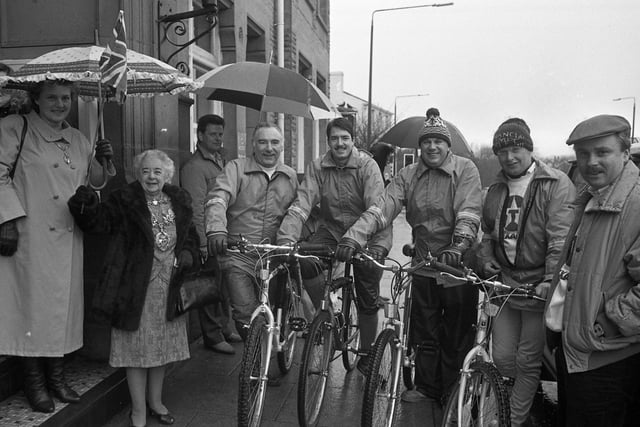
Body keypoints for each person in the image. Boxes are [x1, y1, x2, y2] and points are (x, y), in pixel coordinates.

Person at [340, 108, 482, 403]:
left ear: (448, 146)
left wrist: (459, 245)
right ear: (420, 147)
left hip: (456, 265)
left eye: (438, 142)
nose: (432, 147)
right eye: (426, 142)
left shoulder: (465, 169)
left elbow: (469, 211)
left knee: (456, 333)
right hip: (424, 262)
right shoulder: (407, 174)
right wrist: (354, 237)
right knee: (424, 330)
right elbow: (383, 208)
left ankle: (454, 391)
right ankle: (427, 388)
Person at [0, 79, 113, 413]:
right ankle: (35, 384)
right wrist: (6, 220)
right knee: (33, 310)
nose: (60, 103)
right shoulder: (14, 128)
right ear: (36, 99)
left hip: (67, 236)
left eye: (66, 98)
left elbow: (92, 183)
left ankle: (58, 377)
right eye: (52, 97)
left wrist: (103, 161)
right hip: (28, 234)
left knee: (61, 311)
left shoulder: (78, 138)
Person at [68, 149, 198, 427]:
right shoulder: (124, 200)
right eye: (145, 171)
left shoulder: (179, 201)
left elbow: (190, 237)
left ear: (167, 175)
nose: (151, 177)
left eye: (157, 172)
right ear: (137, 174)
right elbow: (98, 222)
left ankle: (156, 401)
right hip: (133, 289)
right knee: (136, 352)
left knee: (160, 350)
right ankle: (138, 410)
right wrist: (86, 203)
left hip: (168, 288)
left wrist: (187, 253)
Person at [477, 118, 575, 426]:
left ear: (529, 149)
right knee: (504, 358)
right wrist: (486, 256)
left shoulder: (555, 184)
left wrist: (549, 280)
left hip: (537, 287)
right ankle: (519, 401)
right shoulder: (494, 189)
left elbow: (560, 238)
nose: (509, 157)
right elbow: (489, 235)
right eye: (502, 151)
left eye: (516, 149)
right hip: (505, 285)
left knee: (528, 360)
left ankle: (513, 419)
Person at [544, 115, 640, 427]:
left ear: (625, 153)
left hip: (606, 358)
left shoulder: (634, 204)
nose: (591, 162)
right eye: (583, 154)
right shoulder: (592, 196)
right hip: (576, 350)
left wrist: (609, 322)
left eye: (602, 152)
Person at [277, 117, 392, 374]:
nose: (339, 143)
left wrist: (355, 238)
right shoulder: (319, 166)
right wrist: (286, 238)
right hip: (332, 230)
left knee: (367, 294)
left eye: (345, 138)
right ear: (328, 141)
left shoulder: (367, 166)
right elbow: (302, 203)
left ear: (353, 141)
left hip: (371, 233)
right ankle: (328, 314)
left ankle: (366, 351)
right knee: (305, 261)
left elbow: (376, 208)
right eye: (334, 138)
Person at [204, 122, 306, 340]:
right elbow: (218, 198)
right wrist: (216, 229)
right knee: (244, 312)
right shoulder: (236, 168)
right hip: (239, 253)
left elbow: (298, 211)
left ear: (282, 146)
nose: (269, 148)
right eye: (262, 142)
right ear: (253, 145)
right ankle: (255, 356)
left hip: (274, 254)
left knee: (275, 309)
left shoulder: (289, 176)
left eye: (274, 142)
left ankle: (271, 347)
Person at [180, 114, 241, 355]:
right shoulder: (194, 167)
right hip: (207, 238)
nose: (218, 138)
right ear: (200, 135)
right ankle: (212, 336)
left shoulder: (222, 162)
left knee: (223, 286)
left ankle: (225, 328)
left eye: (220, 133)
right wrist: (203, 244)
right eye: (213, 134)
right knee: (207, 286)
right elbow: (195, 207)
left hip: (225, 234)